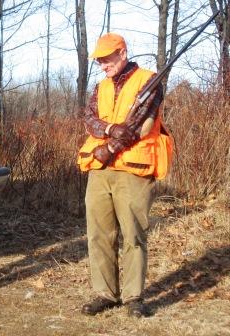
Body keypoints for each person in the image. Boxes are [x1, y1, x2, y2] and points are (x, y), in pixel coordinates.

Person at [77, 33, 173, 317]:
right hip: (100, 169)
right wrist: (108, 132)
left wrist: (109, 149)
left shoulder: (149, 82)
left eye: (106, 59)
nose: (102, 65)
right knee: (98, 234)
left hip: (133, 169)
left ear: (122, 52)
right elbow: (90, 120)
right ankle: (105, 294)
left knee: (133, 234)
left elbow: (137, 126)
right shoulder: (100, 87)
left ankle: (134, 298)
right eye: (99, 61)